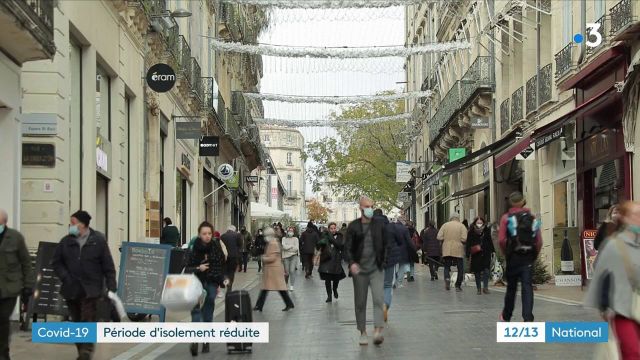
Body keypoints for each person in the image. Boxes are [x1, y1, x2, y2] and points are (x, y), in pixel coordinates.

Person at [51, 210, 117, 360]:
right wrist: (65, 277)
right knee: (76, 322)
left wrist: (111, 286)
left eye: (73, 223)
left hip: (92, 289)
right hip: (72, 289)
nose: (71, 226)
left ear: (83, 225)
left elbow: (108, 265)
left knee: (88, 320)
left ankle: (85, 352)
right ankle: (82, 349)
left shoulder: (98, 241)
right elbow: (56, 262)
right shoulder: (66, 241)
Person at [585, 201, 640, 359]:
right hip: (621, 307)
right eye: (635, 215)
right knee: (632, 352)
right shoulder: (613, 245)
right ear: (625, 219)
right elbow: (602, 275)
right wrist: (604, 306)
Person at [345, 196, 387, 346]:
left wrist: (384, 262)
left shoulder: (379, 225)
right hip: (360, 270)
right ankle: (362, 332)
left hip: (376, 268)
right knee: (360, 302)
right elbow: (348, 248)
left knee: (378, 299)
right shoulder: (353, 227)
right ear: (361, 208)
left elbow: (386, 244)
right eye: (367, 206)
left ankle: (377, 331)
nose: (370, 209)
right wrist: (352, 263)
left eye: (372, 206)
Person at [498, 191, 542, 322]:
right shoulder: (533, 218)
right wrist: (534, 255)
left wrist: (506, 253)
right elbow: (539, 241)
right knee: (527, 287)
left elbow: (501, 240)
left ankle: (506, 316)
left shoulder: (506, 218)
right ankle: (528, 317)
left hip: (513, 256)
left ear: (511, 202)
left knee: (511, 288)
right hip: (528, 257)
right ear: (523, 201)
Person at [183, 221, 226, 356]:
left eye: (209, 233)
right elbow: (186, 268)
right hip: (196, 283)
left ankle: (206, 341)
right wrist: (198, 268)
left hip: (211, 283)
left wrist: (221, 281)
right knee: (196, 312)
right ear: (199, 234)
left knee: (208, 312)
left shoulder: (216, 246)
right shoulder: (193, 248)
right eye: (204, 234)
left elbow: (220, 265)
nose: (207, 236)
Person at [0, 210, 33, 360]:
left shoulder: (15, 238)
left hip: (9, 288)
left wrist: (28, 285)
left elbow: (26, 262)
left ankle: (3, 352)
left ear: (4, 222)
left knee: (2, 319)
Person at [253, 228, 295, 312]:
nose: (265, 237)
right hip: (272, 270)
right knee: (268, 288)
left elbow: (272, 258)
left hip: (274, 270)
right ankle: (259, 306)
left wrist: (263, 258)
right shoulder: (272, 242)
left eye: (266, 235)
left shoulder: (273, 243)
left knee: (275, 289)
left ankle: (289, 304)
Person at [374, 209, 400, 323]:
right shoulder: (391, 227)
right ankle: (386, 304)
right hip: (390, 258)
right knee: (388, 285)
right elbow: (399, 240)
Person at [437, 213, 468, 291]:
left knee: (447, 266)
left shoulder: (445, 225)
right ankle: (458, 285)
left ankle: (447, 278)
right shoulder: (462, 226)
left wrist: (446, 239)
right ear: (458, 218)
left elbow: (439, 237)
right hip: (458, 249)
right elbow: (464, 238)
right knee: (460, 268)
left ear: (450, 218)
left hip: (447, 248)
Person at [317, 222, 346, 303]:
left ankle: (335, 289)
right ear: (328, 229)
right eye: (331, 228)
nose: (333, 230)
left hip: (336, 259)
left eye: (334, 228)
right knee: (327, 279)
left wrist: (330, 237)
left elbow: (338, 245)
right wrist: (321, 241)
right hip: (327, 259)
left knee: (336, 278)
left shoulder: (339, 235)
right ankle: (329, 296)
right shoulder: (325, 235)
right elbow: (319, 245)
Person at [466, 217, 495, 295]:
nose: (479, 224)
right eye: (478, 222)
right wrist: (468, 254)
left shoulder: (486, 230)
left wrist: (493, 251)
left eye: (480, 222)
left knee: (486, 270)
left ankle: (485, 287)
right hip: (476, 254)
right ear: (475, 223)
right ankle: (478, 289)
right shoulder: (471, 232)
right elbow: (468, 243)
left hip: (486, 253)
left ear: (483, 223)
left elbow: (490, 241)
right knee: (477, 272)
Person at [394, 220, 414, 287]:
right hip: (403, 250)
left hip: (393, 250)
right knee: (401, 266)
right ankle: (399, 283)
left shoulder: (391, 228)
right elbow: (409, 240)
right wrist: (414, 248)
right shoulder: (404, 229)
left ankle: (393, 281)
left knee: (393, 266)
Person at [221, 225, 241, 292]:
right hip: (234, 257)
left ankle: (227, 283)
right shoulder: (237, 235)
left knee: (225, 272)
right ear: (234, 230)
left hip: (225, 257)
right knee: (231, 272)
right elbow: (240, 245)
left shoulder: (223, 236)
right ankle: (229, 287)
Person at [281, 226, 300, 291]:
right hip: (286, 257)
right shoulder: (284, 238)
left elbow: (296, 248)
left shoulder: (296, 239)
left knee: (292, 271)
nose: (291, 232)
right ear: (287, 231)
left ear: (294, 232)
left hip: (293, 256)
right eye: (289, 231)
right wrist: (291, 246)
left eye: (292, 231)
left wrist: (288, 248)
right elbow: (283, 247)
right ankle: (285, 283)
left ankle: (291, 285)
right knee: (287, 272)